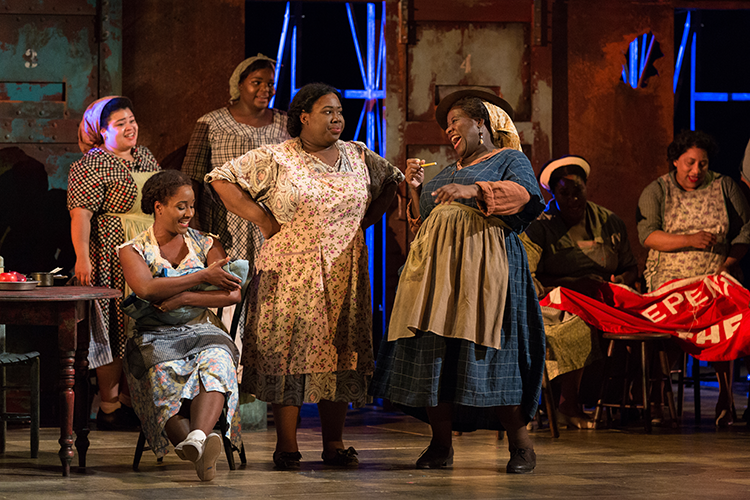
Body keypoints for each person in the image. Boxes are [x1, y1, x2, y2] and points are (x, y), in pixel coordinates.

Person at [206, 83, 404, 469]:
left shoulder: (358, 154)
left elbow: (391, 181)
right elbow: (220, 178)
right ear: (304, 117)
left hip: (345, 271)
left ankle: (334, 443)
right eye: (327, 112)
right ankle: (287, 445)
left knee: (339, 351)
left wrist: (362, 222)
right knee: (289, 354)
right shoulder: (278, 157)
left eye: (339, 112)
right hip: (291, 271)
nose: (337, 118)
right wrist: (263, 219)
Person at [370, 89, 546, 473]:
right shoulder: (447, 172)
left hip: (487, 269)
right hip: (438, 275)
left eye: (456, 121)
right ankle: (440, 444)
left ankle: (521, 445)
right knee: (435, 353)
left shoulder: (508, 159)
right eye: (446, 126)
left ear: (481, 123)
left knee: (491, 352)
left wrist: (475, 189)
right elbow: (425, 220)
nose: (449, 130)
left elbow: (526, 195)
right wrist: (415, 191)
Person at [118, 170, 243, 481]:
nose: (189, 213)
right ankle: (200, 451)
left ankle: (197, 439)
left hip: (202, 328)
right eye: (181, 206)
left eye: (192, 206)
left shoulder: (206, 243)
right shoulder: (133, 249)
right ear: (159, 207)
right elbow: (147, 289)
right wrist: (202, 277)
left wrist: (184, 297)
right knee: (159, 373)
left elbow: (233, 293)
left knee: (217, 360)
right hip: (153, 334)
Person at [637, 129, 750, 427]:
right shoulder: (657, 191)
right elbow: (647, 235)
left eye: (703, 163)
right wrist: (690, 239)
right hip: (671, 281)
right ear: (675, 161)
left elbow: (745, 231)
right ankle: (658, 397)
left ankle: (726, 398)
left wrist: (727, 264)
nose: (696, 170)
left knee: (729, 321)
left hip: (715, 277)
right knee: (673, 326)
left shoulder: (725, 186)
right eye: (690, 163)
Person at [521, 155, 638, 428]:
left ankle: (631, 399)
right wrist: (567, 287)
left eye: (579, 191)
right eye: (565, 193)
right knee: (576, 326)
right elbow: (528, 276)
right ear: (553, 193)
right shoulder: (539, 226)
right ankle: (567, 404)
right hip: (559, 300)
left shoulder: (609, 221)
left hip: (605, 299)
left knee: (646, 322)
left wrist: (621, 280)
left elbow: (630, 266)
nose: (573, 199)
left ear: (587, 187)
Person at [67, 96, 160, 430]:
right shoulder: (91, 164)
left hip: (147, 247)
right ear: (102, 131)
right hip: (112, 250)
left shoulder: (145, 156)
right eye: (121, 123)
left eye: (132, 120)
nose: (130, 127)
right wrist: (82, 257)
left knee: (141, 325)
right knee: (114, 325)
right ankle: (109, 404)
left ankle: (131, 399)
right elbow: (81, 216)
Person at [182, 54, 290, 273]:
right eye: (256, 82)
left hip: (272, 222)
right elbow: (192, 177)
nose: (265, 89)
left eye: (270, 84)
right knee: (230, 283)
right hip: (225, 222)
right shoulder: (212, 123)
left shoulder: (285, 123)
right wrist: (193, 227)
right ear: (239, 84)